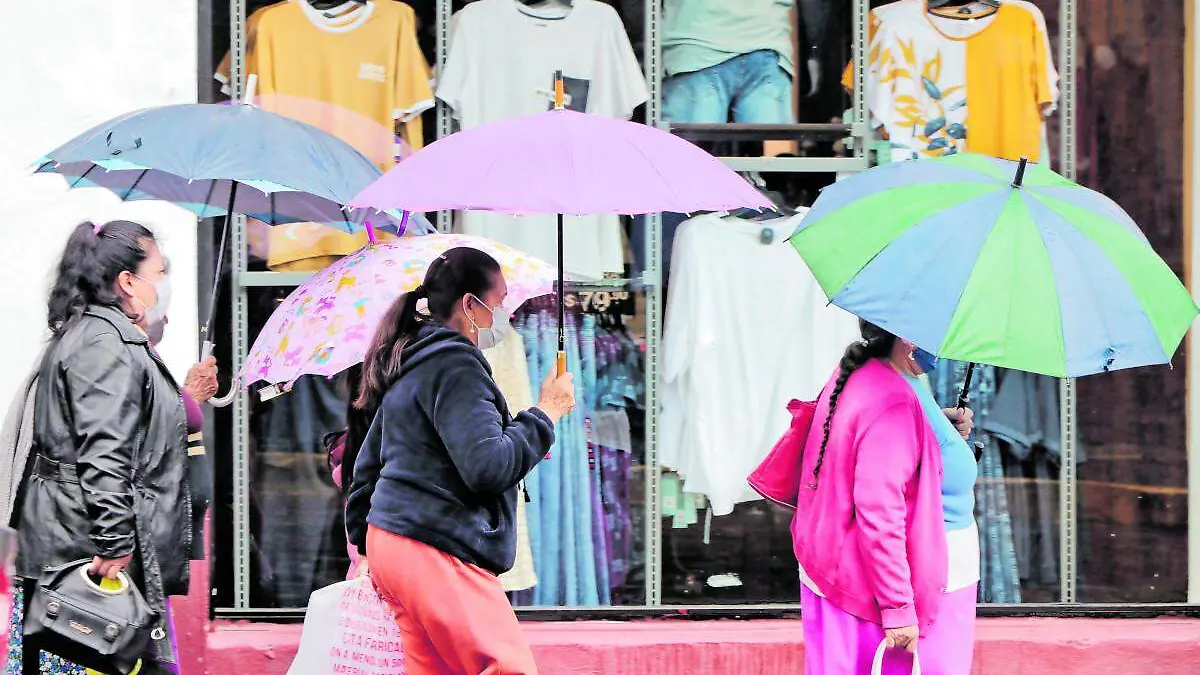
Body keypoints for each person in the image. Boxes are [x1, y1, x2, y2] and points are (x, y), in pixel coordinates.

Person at [346, 247, 576, 675]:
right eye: (500, 301)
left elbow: (367, 464)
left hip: (394, 542)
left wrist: (365, 540)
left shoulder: (411, 358)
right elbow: (487, 467)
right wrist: (546, 413)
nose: (503, 314)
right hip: (435, 542)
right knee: (506, 665)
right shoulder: (456, 365)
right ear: (470, 304)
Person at [13, 221, 193, 675]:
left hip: (81, 543)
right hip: (86, 555)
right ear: (128, 281)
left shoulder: (105, 336)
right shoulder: (104, 344)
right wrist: (114, 542)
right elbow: (103, 450)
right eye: (160, 269)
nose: (164, 281)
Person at [792, 320, 978, 675]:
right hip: (912, 581)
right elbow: (879, 510)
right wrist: (898, 610)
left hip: (859, 569)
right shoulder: (892, 402)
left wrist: (935, 427)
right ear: (909, 339)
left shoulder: (870, 373)